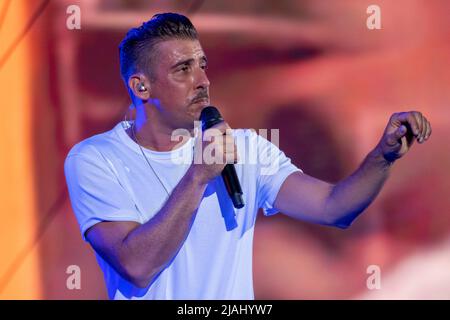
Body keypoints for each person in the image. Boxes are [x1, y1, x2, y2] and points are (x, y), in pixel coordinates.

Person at [64, 13, 432, 300]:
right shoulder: (95, 159)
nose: (202, 81)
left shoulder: (247, 148)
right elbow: (137, 266)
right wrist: (198, 176)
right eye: (183, 69)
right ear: (141, 86)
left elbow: (333, 207)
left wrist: (383, 156)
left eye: (202, 65)